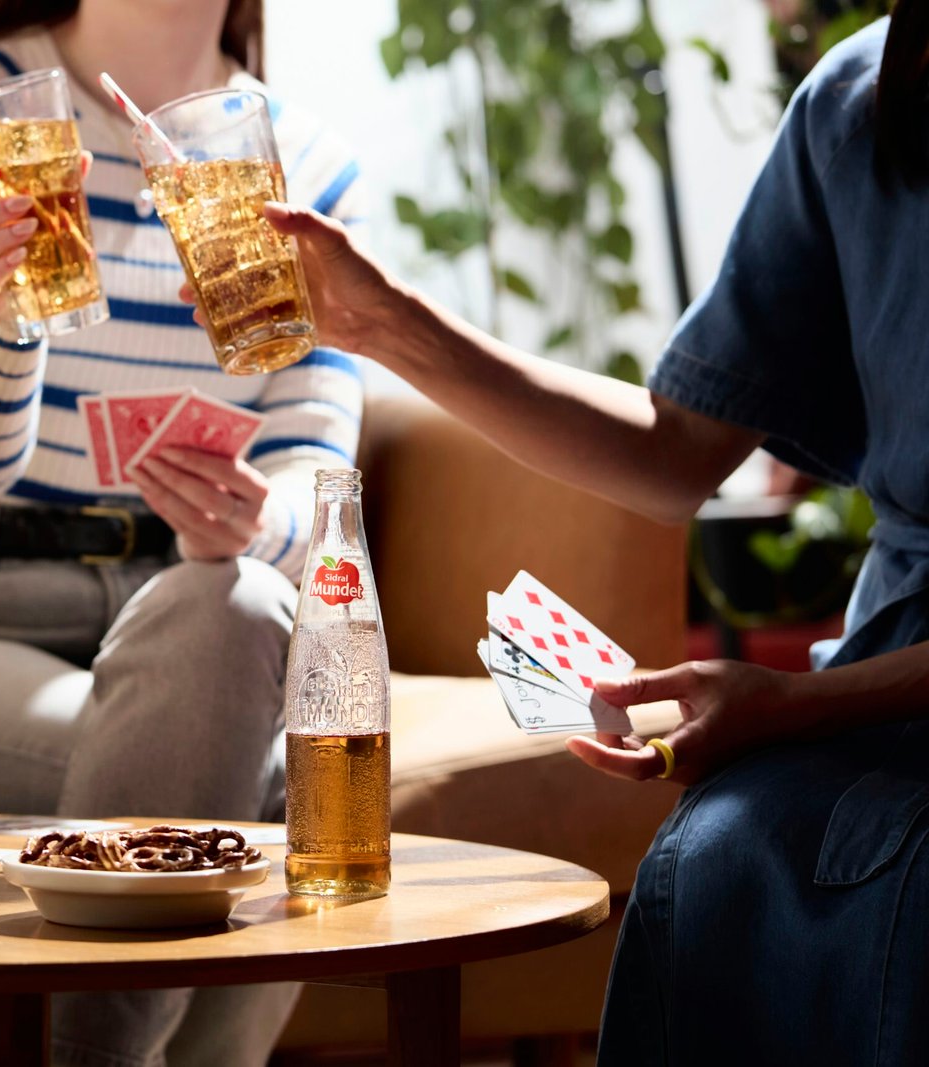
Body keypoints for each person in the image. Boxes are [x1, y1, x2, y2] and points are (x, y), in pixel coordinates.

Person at [233, 8, 929, 1063]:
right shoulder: (859, 100)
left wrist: (795, 700)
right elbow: (675, 450)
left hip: (875, 693)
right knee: (721, 848)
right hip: (891, 671)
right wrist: (388, 329)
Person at [0, 1, 367, 1063]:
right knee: (294, 790)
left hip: (189, 624)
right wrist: (6, 320)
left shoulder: (306, 164)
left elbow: (316, 501)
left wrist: (254, 520)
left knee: (235, 602)